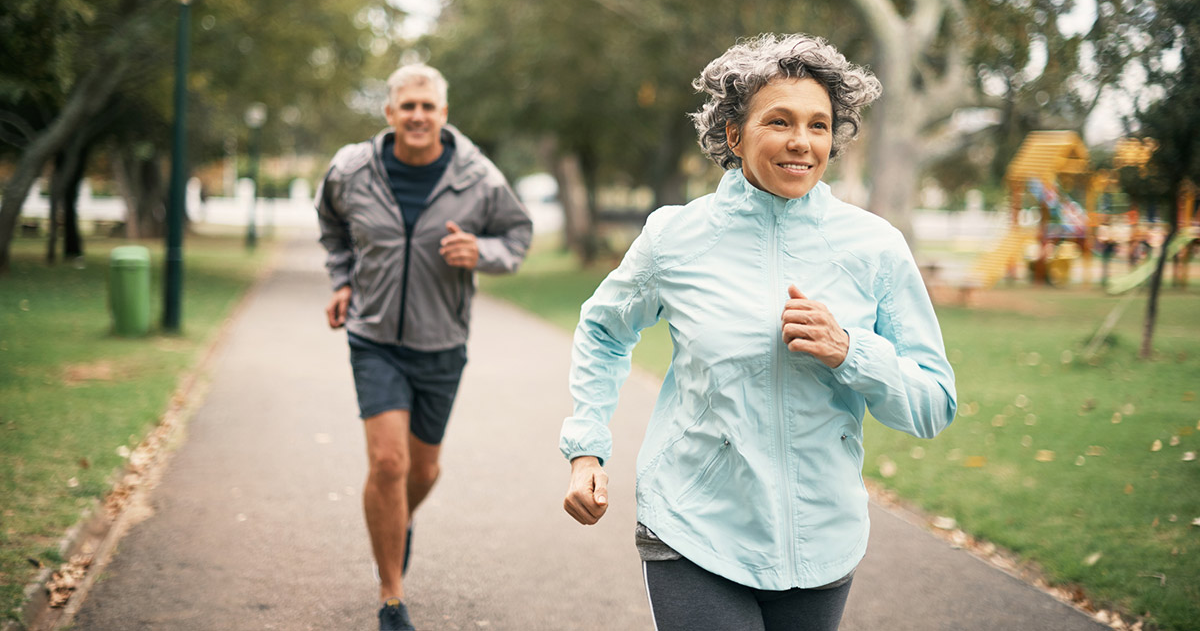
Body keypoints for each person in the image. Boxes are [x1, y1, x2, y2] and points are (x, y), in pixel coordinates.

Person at [560, 34, 956, 631]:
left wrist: (851, 352)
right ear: (734, 134)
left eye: (819, 125)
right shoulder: (675, 238)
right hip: (693, 526)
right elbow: (603, 329)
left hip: (823, 539)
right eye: (779, 121)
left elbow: (934, 405)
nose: (802, 141)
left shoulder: (875, 247)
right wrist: (586, 447)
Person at [316, 63, 532, 631]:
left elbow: (517, 236)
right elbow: (332, 225)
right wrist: (341, 280)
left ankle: (394, 522)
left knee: (424, 470)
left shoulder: (478, 177)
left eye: (427, 106)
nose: (417, 116)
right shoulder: (351, 169)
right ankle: (391, 596)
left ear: (443, 113)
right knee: (389, 462)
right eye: (407, 106)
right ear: (390, 112)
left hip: (442, 341)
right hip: (374, 338)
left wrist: (480, 253)